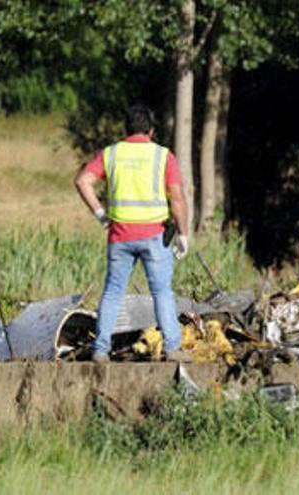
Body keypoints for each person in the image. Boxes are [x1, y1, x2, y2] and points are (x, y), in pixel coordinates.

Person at [74, 104, 191, 363]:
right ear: (151, 130)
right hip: (155, 235)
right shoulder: (163, 156)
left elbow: (83, 181)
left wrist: (100, 214)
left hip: (119, 235)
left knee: (113, 291)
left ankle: (101, 350)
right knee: (161, 291)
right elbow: (178, 198)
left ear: (126, 129)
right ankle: (173, 348)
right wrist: (183, 233)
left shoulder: (111, 154)